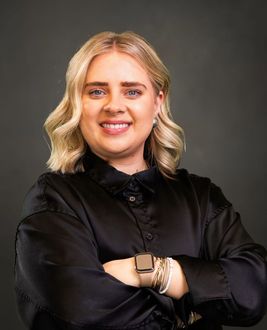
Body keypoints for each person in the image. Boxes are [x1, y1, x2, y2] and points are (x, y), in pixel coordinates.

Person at [15, 31, 267, 330]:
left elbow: (253, 291)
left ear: (158, 102)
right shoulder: (52, 200)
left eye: (132, 91)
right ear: (76, 103)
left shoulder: (202, 196)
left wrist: (154, 272)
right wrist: (192, 307)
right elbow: (80, 313)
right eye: (96, 91)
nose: (114, 105)